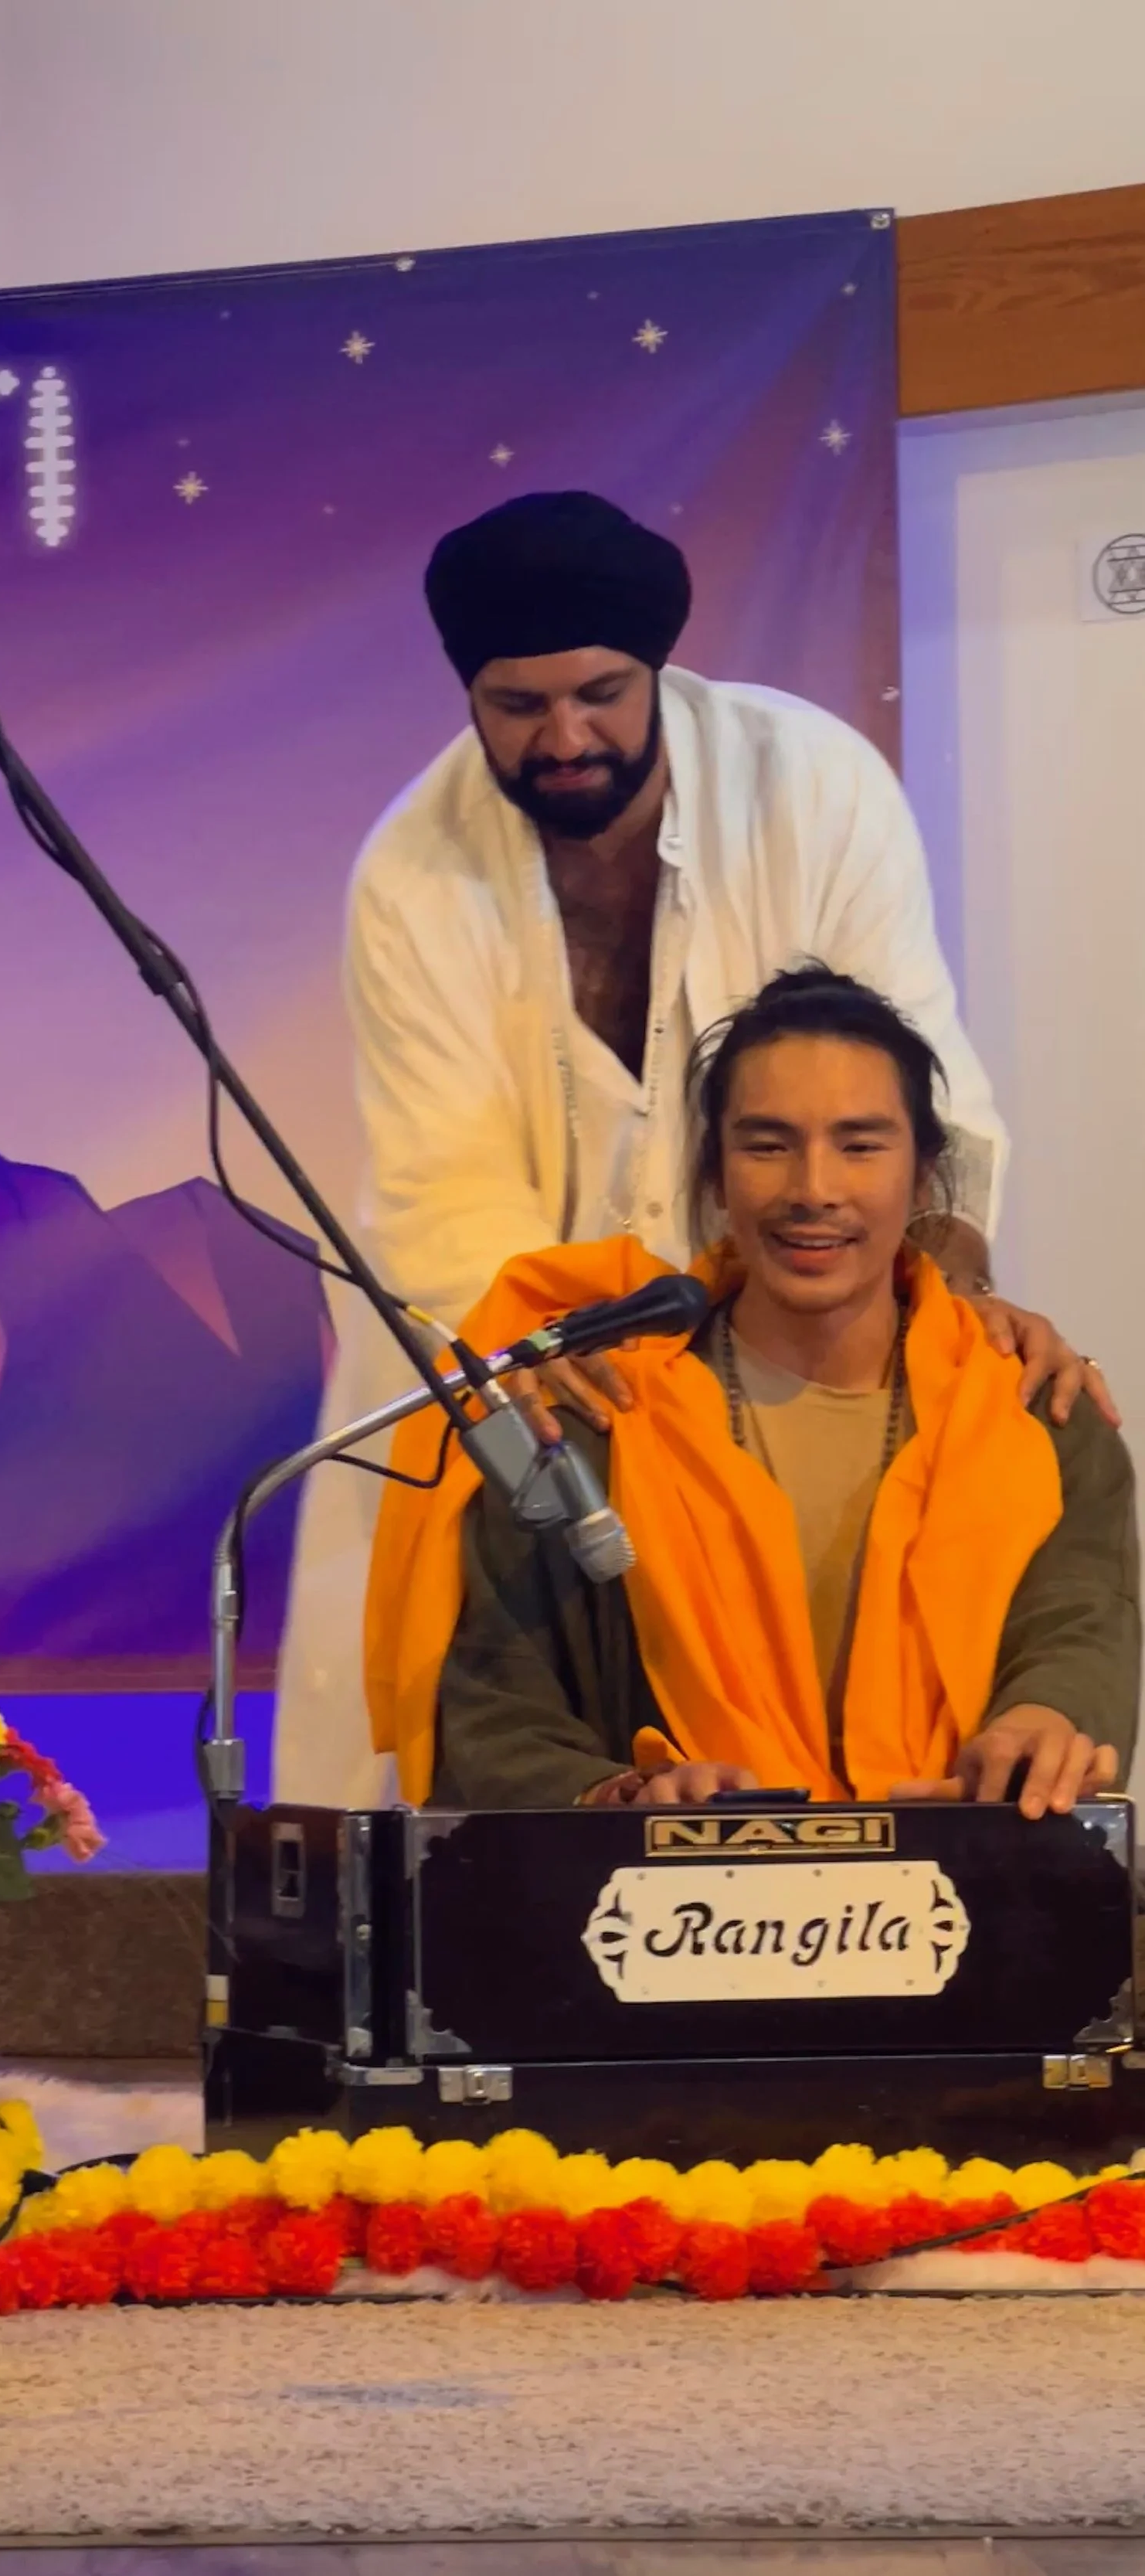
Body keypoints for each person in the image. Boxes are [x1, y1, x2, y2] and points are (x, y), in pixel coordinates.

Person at [274, 490, 1112, 1807]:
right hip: (540, 1368)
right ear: (469, 695)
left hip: (805, 1333)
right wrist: (580, 1379)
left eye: (601, 693)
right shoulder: (412, 874)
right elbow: (448, 1191)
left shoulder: (813, 783)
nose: (565, 736)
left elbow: (901, 1081)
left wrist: (959, 1312)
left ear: (657, 669)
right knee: (496, 1753)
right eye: (517, 705)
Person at [362, 969, 1139, 1814]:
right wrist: (619, 1799)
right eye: (766, 1145)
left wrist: (1042, 1721)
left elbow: (1081, 1622)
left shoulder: (1035, 1412)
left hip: (971, 1912)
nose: (812, 1188)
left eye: (860, 1144)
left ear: (923, 1180)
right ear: (713, 1177)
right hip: (652, 1920)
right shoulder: (589, 1412)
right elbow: (493, 1700)